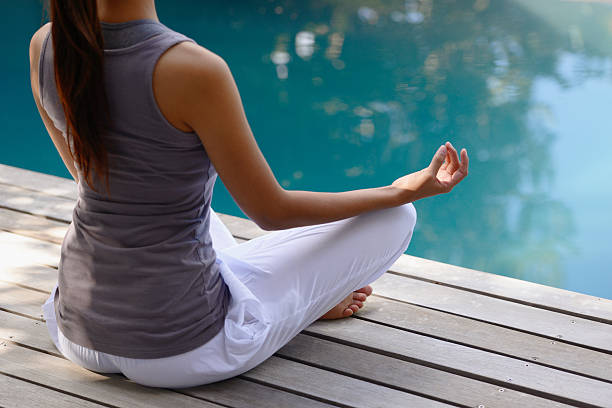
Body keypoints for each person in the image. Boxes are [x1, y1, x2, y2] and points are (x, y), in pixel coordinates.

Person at [29, 0, 469, 388]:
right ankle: (303, 306)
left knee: (191, 214)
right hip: (183, 351)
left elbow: (89, 180)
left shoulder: (48, 45)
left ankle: (288, 296)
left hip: (78, 332)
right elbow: (271, 211)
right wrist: (397, 191)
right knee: (395, 218)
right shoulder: (191, 68)